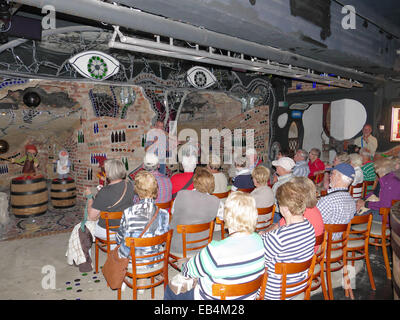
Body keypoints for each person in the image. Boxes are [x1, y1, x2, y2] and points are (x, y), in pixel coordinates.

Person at [164, 191, 265, 300]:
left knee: (172, 288)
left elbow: (188, 270)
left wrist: (185, 264)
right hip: (247, 297)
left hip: (211, 298)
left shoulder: (216, 250)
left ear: (227, 216)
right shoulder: (259, 240)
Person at [261, 179, 316, 300]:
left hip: (275, 291)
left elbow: (258, 260)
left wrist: (261, 237)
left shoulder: (279, 237)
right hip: (299, 285)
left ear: (285, 208)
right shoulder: (309, 227)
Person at [116, 170, 169, 261]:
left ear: (136, 189)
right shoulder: (164, 213)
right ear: (156, 189)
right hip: (156, 260)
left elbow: (119, 239)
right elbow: (163, 241)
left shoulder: (128, 212)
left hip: (132, 262)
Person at [263, 177, 324, 253]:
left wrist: (263, 234)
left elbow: (278, 228)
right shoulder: (313, 209)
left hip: (297, 251)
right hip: (308, 251)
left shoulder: (297, 213)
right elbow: (279, 225)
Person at [169, 167, 222, 255]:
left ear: (195, 181)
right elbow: (224, 216)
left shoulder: (181, 194)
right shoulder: (216, 201)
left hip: (177, 246)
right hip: (202, 247)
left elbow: (173, 212)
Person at [84, 159, 135, 245]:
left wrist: (89, 197)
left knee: (81, 229)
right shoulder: (130, 185)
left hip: (109, 231)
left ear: (108, 173)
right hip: (126, 227)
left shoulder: (105, 191)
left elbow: (91, 216)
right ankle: (114, 251)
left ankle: (84, 257)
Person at [316, 163, 356, 240]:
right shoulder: (352, 200)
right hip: (340, 239)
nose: (330, 176)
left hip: (325, 243)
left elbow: (315, 224)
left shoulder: (328, 201)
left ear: (339, 178)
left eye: (332, 174)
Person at [356, 157, 400, 221]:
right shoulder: (386, 179)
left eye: (375, 169)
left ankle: (349, 230)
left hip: (386, 215)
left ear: (379, 169)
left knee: (353, 214)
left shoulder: (390, 182)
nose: (375, 171)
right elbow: (375, 193)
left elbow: (385, 204)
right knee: (354, 206)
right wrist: (362, 199)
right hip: (383, 211)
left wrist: (365, 204)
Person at [271, 157, 295, 221]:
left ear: (282, 169)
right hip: (292, 212)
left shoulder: (279, 184)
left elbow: (272, 201)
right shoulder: (295, 179)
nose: (276, 167)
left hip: (279, 215)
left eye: (277, 166)